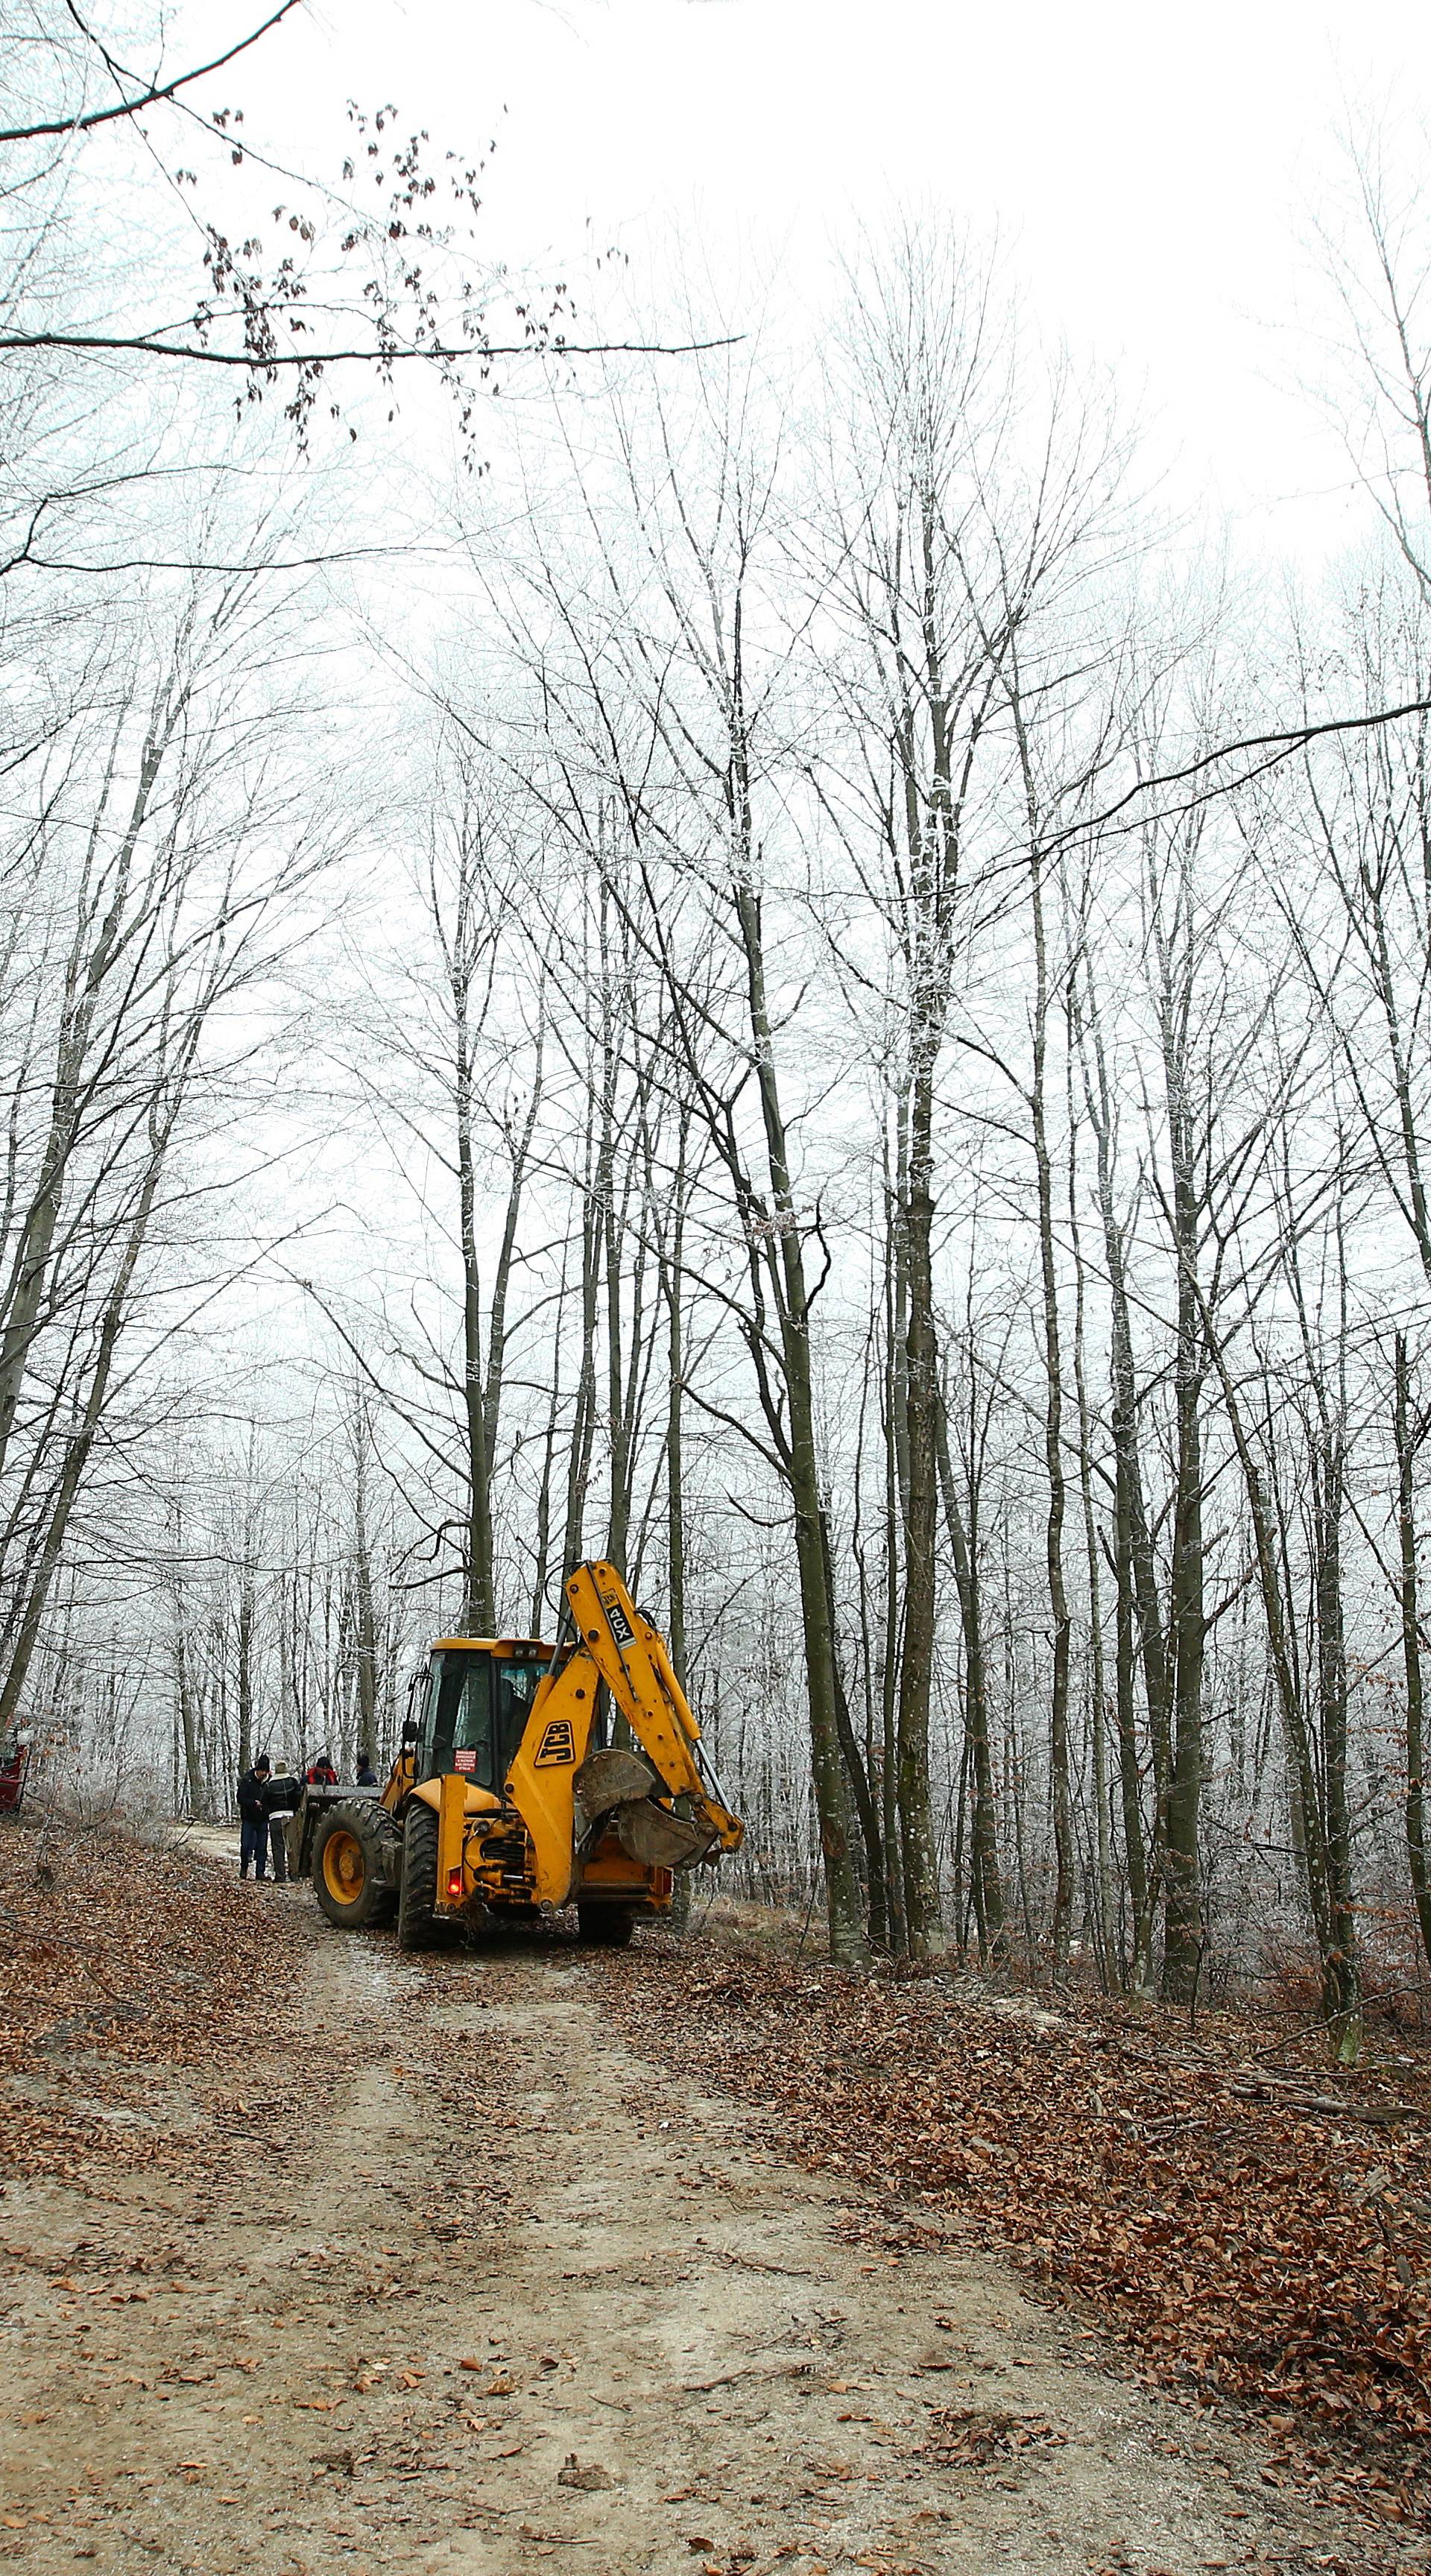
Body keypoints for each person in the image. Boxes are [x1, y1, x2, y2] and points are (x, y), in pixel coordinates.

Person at [262, 1758, 303, 1883]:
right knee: (292, 1847)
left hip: (275, 1817)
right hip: (290, 1816)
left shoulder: (269, 1785)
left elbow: (263, 1801)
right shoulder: (293, 1782)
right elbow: (299, 1796)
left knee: (278, 1847)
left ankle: (280, 1876)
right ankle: (294, 1874)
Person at [237, 1755, 271, 1879]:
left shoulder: (269, 1781)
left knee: (262, 1847)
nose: (264, 1773)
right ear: (257, 1769)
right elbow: (240, 1798)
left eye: (266, 1771)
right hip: (249, 1818)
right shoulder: (247, 1780)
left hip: (263, 1819)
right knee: (246, 1845)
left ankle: (260, 1872)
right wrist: (253, 1803)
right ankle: (244, 1868)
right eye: (262, 1771)